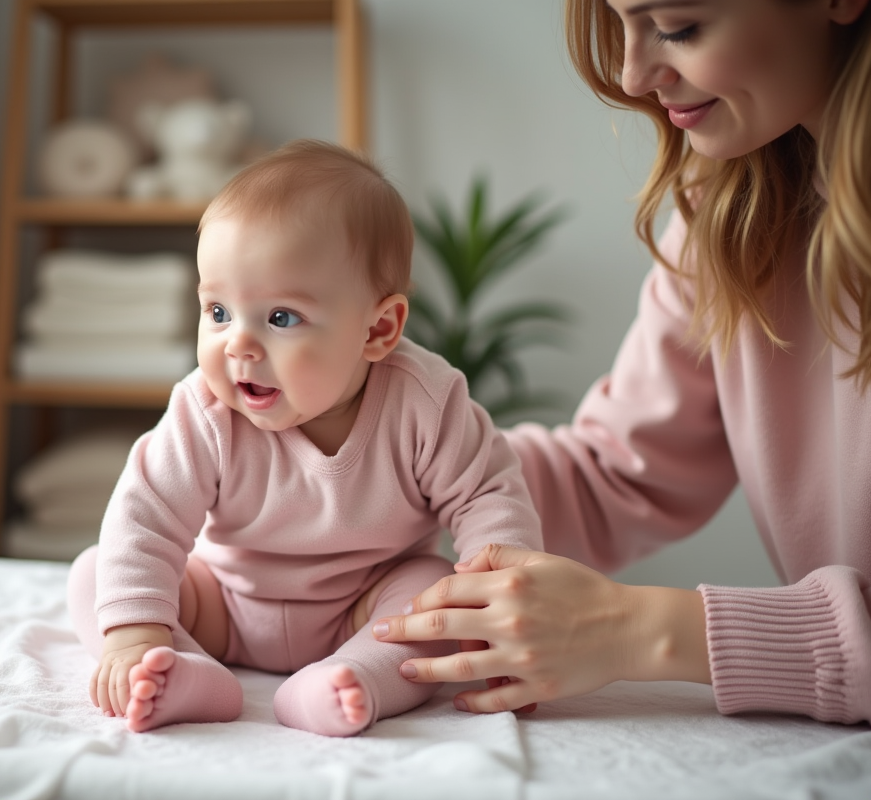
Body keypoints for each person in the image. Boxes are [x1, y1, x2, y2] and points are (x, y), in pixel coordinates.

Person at [372, 0, 871, 728]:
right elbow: (616, 473)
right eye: (619, 27)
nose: (631, 75)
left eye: (677, 26)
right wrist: (368, 452)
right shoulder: (733, 218)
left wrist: (641, 629)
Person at [66, 139, 542, 737]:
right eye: (217, 312)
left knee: (432, 591)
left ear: (378, 329)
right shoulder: (205, 410)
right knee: (98, 573)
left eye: (280, 317)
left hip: (361, 611)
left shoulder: (425, 402)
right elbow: (147, 515)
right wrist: (134, 634)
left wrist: (502, 618)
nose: (238, 345)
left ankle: (353, 679)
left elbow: (489, 499)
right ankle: (178, 671)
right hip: (223, 607)